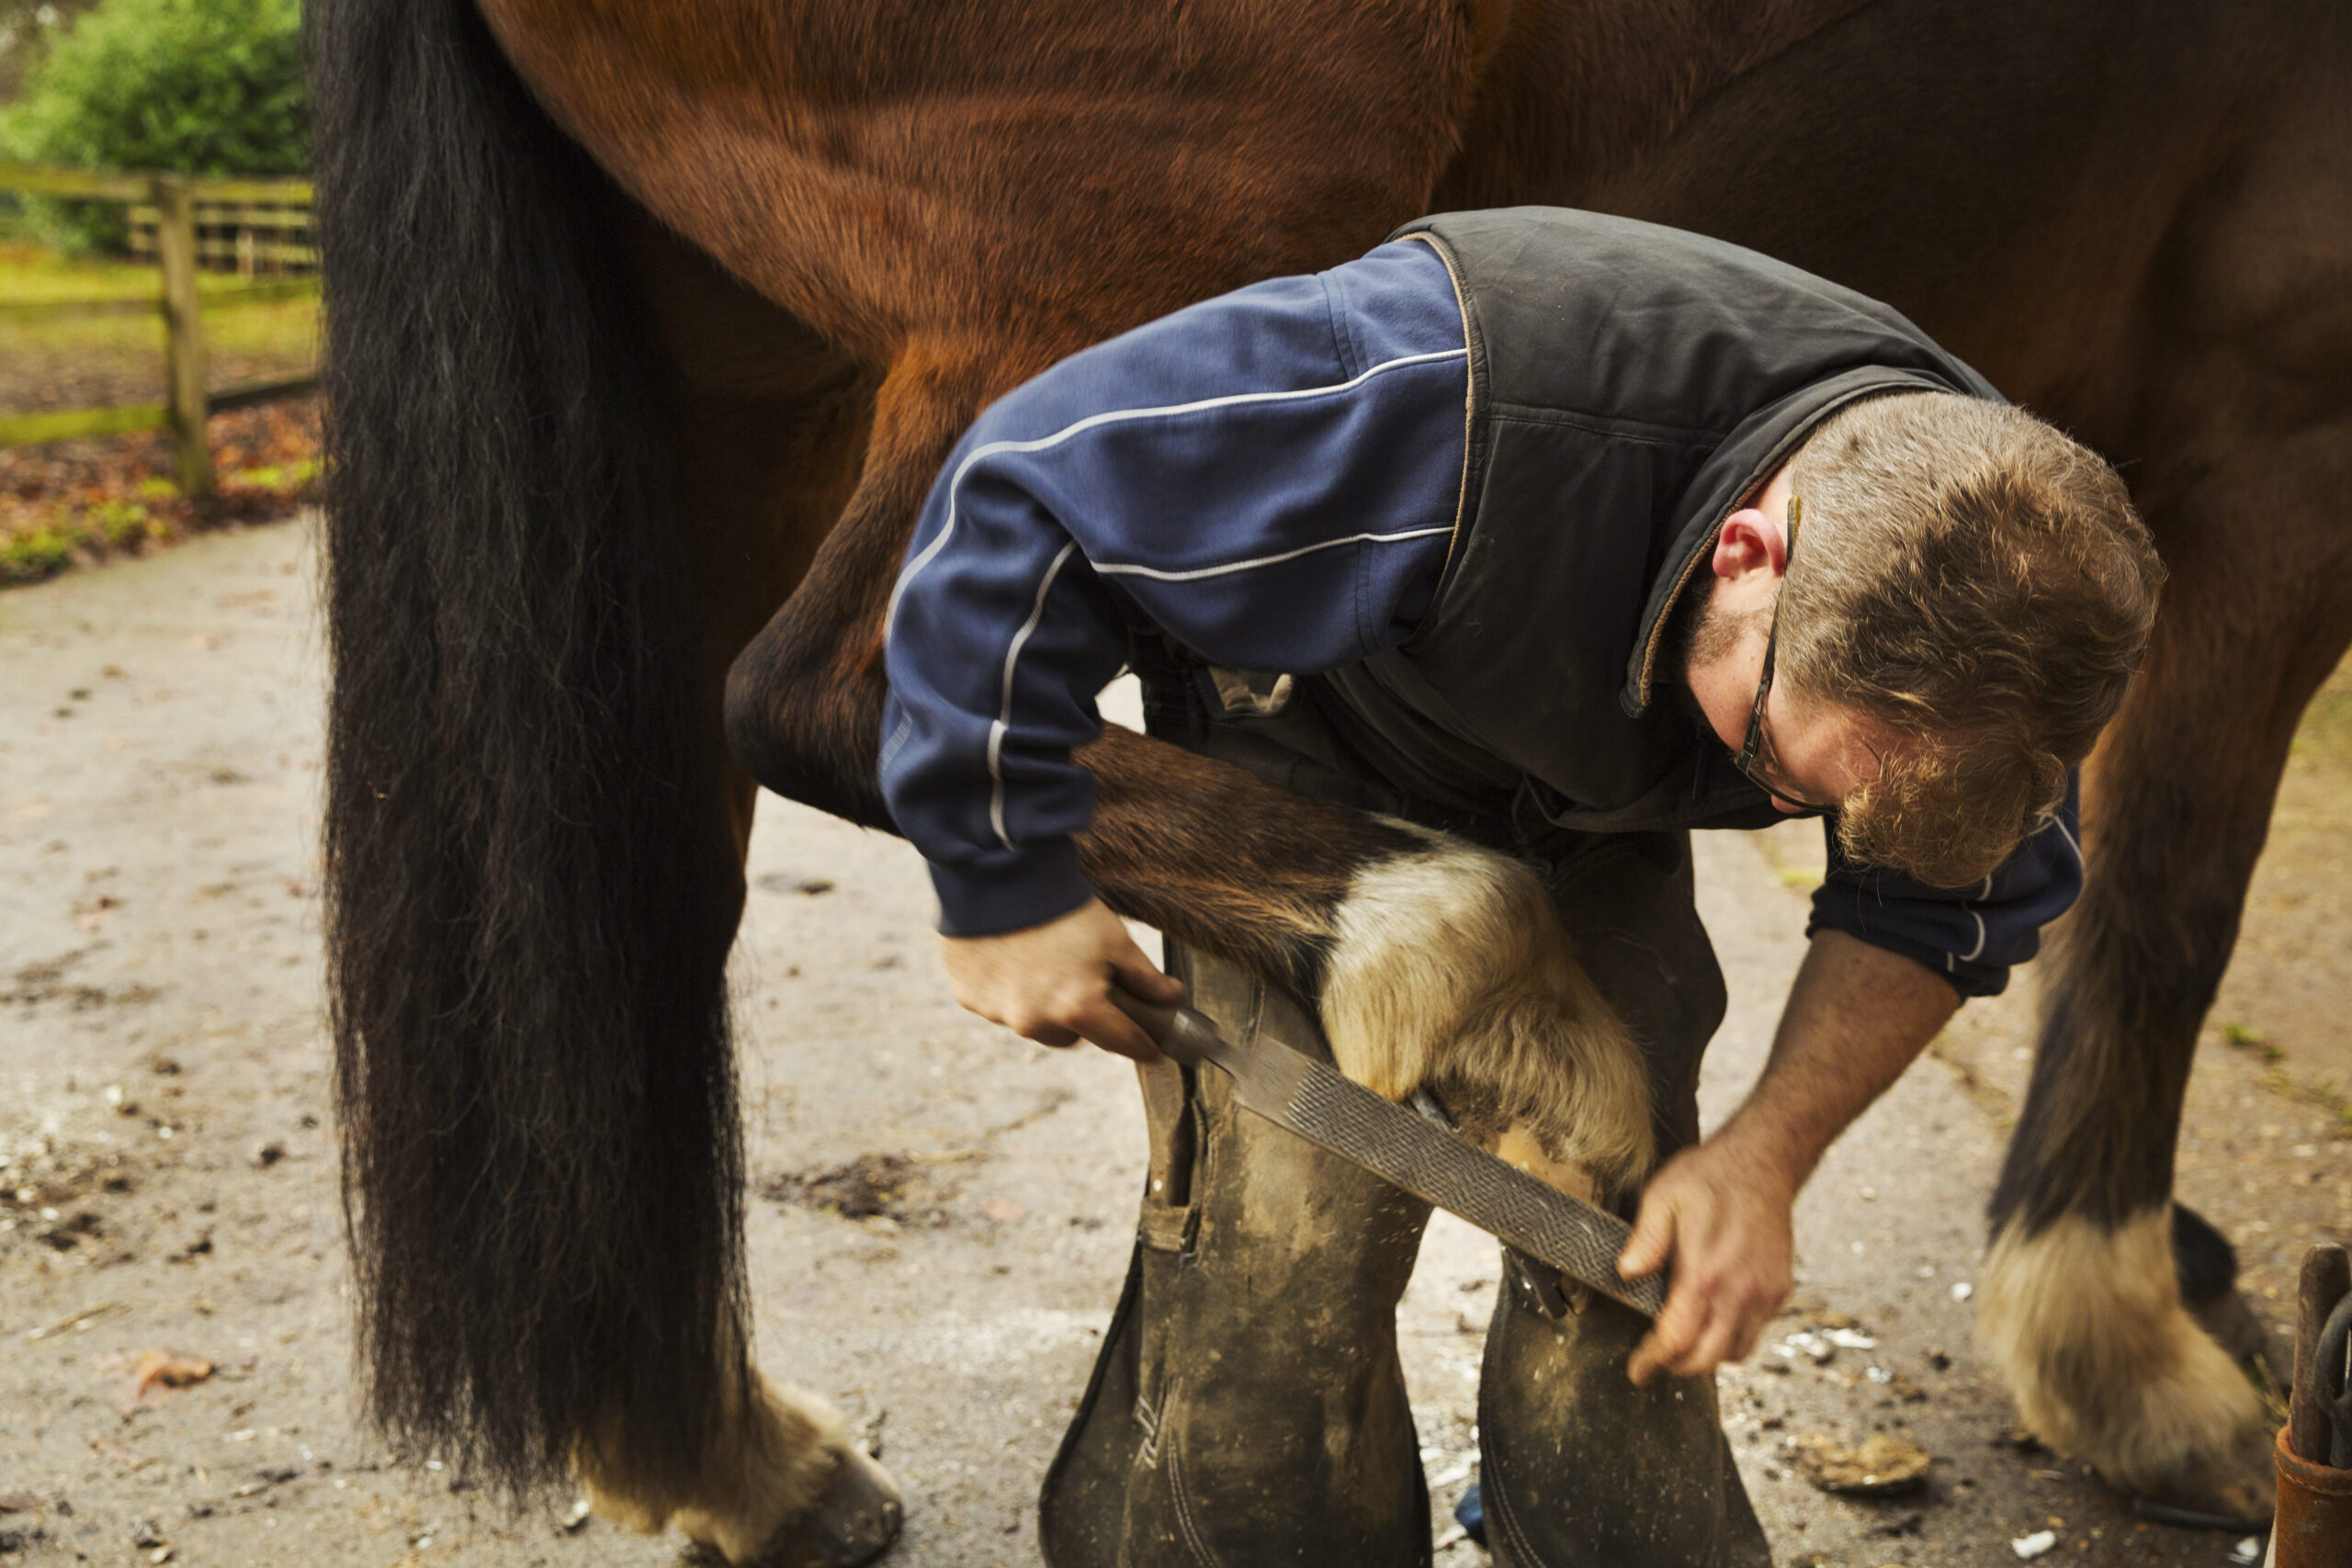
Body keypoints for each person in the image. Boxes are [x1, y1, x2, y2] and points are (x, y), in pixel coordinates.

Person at [878, 207, 2162, 1566]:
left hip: (1594, 777)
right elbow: (1025, 488)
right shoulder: (1441, 399)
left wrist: (1765, 1159)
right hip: (1330, 734)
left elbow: (1945, 912)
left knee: (1628, 1247)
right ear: (1748, 557)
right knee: (1290, 1270)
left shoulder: (2018, 630)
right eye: (1780, 770)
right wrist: (1000, 869)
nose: (1803, 815)